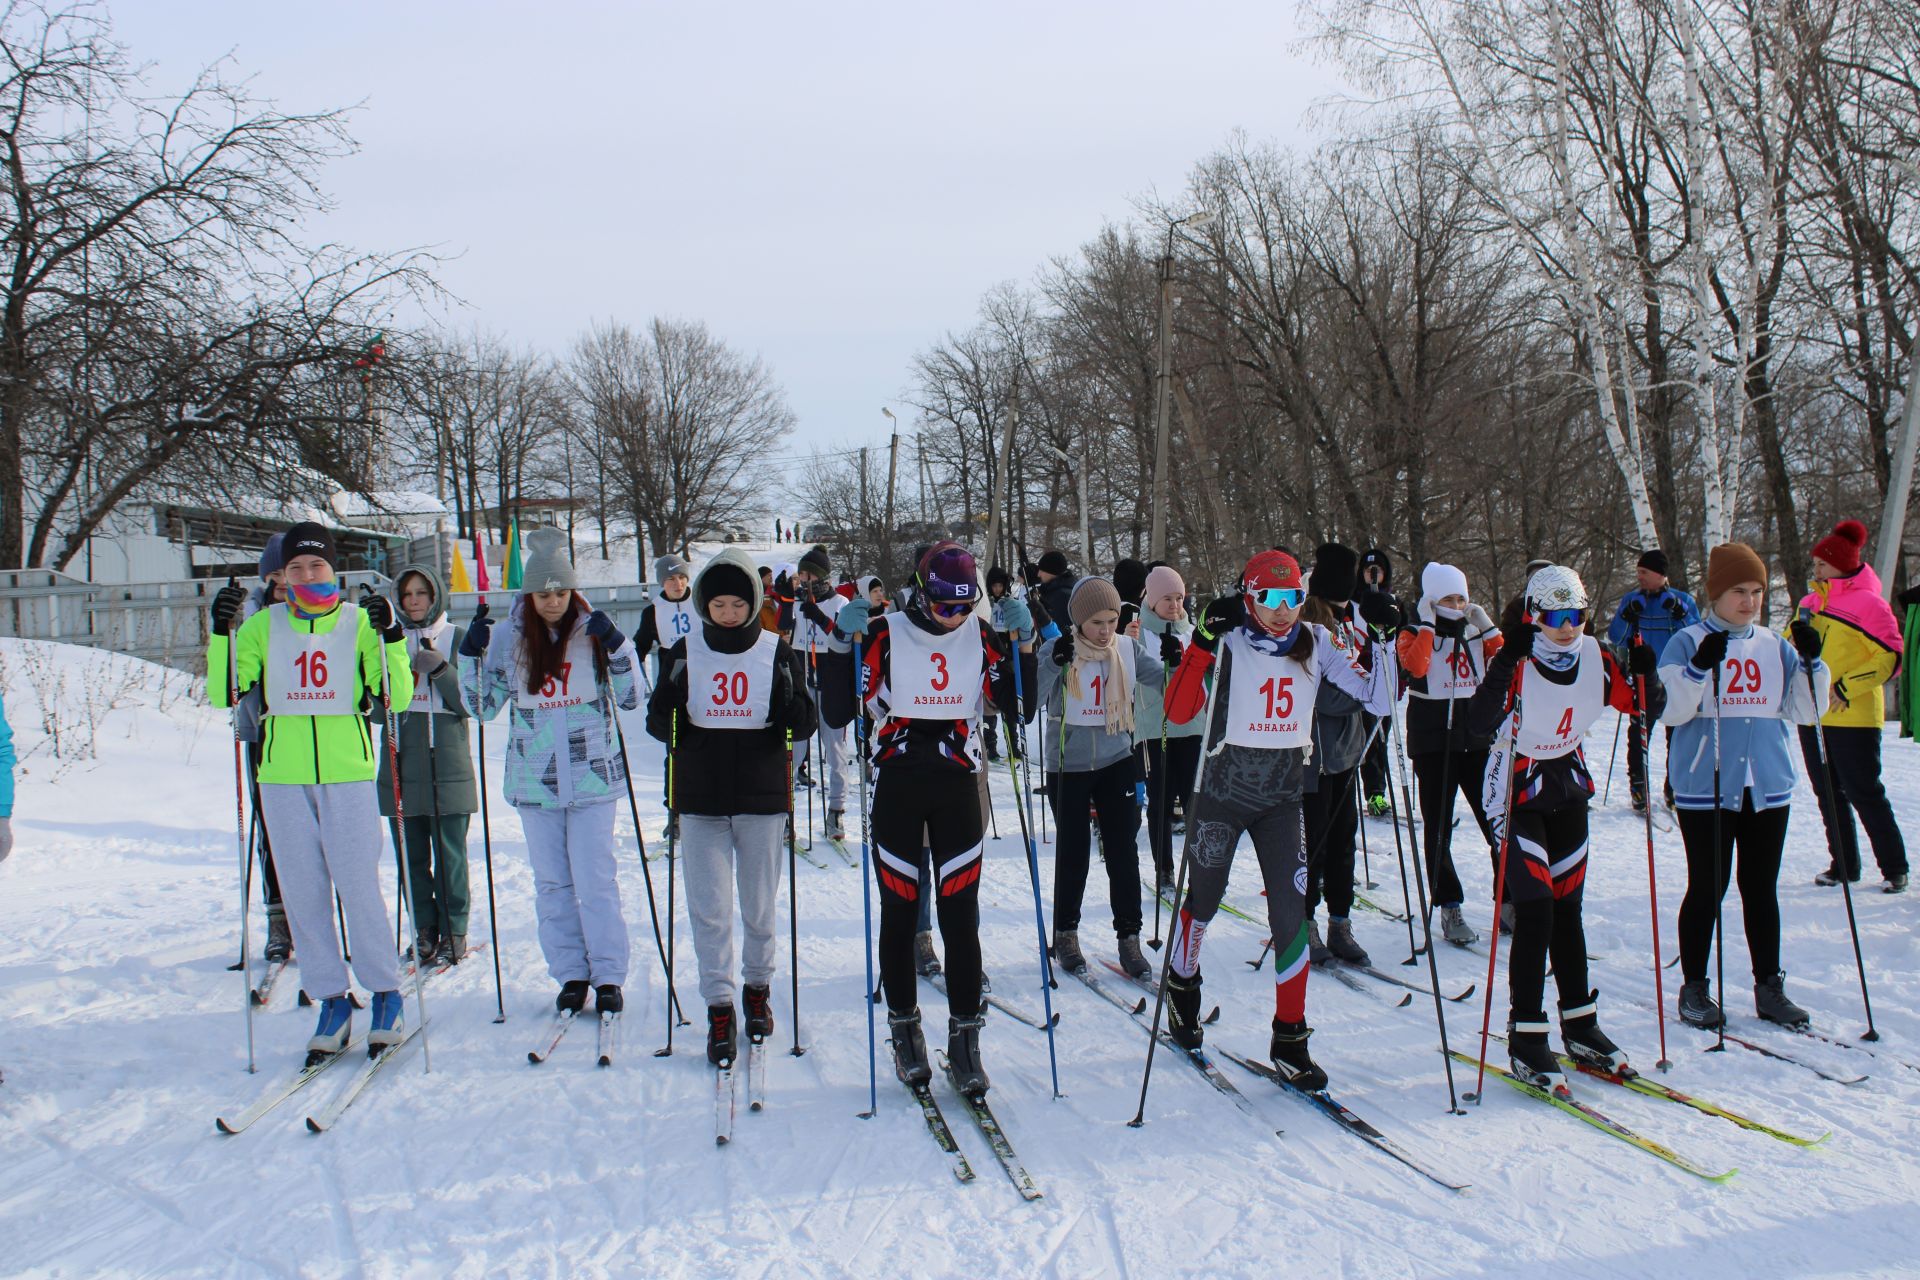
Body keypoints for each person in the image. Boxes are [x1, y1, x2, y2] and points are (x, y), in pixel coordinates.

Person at [1161, 550, 1394, 1088]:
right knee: (1206, 900)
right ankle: (1182, 983)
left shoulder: (1319, 641)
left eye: (1292, 598)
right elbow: (1176, 713)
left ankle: (1290, 1036)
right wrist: (1198, 642)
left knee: (1292, 915)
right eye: (1269, 598)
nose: (1283, 610)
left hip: (1283, 799)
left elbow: (1380, 700)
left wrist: (1382, 642)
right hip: (1221, 794)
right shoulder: (1229, 640)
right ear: (1250, 596)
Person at [207, 521, 411, 1062]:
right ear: (282, 575)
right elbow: (225, 691)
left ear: (332, 569)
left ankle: (386, 992)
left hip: (345, 770)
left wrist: (389, 637)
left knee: (356, 882)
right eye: (294, 568)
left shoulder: (356, 621)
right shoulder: (264, 625)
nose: (306, 575)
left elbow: (396, 695)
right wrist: (220, 633)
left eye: (316, 565)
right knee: (302, 890)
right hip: (282, 774)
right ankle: (331, 999)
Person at [1467, 564, 1661, 1090]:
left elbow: (1645, 707)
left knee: (1567, 909)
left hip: (1567, 785)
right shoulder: (1516, 661)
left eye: (1577, 615)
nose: (1568, 627)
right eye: (1555, 617)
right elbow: (1477, 725)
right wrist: (1507, 658)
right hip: (1515, 789)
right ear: (1533, 616)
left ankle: (1580, 1024)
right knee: (1535, 910)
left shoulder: (1596, 657)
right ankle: (1527, 1033)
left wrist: (1648, 672)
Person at [859, 542, 1027, 1096]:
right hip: (900, 782)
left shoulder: (978, 634)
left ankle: (964, 1037)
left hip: (958, 783)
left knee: (961, 915)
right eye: (941, 604)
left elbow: (1010, 702)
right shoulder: (885, 631)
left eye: (963, 605)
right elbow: (845, 708)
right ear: (919, 588)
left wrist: (1020, 645)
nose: (952, 615)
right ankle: (904, 1029)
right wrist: (843, 645)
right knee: (900, 911)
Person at [460, 528, 640, 1016]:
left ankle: (607, 974)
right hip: (534, 782)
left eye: (561, 591)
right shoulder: (509, 638)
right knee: (553, 884)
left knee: (596, 879)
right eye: (544, 593)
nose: (554, 601)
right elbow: (481, 706)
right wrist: (468, 657)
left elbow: (631, 697)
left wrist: (620, 648)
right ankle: (570, 973)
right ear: (530, 595)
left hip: (592, 779)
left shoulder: (592, 632)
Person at [646, 549, 815, 1065]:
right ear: (703, 604)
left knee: (759, 906)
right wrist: (672, 710)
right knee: (709, 910)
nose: (727, 612)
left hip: (762, 797)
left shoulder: (777, 651)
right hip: (701, 797)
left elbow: (803, 724)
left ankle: (757, 989)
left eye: (736, 603)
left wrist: (792, 704)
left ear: (752, 604)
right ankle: (719, 1004)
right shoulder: (683, 650)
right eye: (717, 603)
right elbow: (659, 724)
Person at [1659, 543, 1829, 1029]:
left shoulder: (1775, 645)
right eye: (1739, 591)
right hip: (1706, 785)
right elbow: (1670, 710)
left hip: (1767, 786)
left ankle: (1769, 988)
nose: (1750, 600)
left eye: (1756, 591)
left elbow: (1805, 710)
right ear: (1716, 593)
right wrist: (1697, 670)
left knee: (1760, 889)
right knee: (1707, 887)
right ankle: (1694, 988)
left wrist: (1814, 664)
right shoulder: (1688, 641)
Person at [1039, 576, 1164, 980]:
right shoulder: (1059, 649)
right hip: (1069, 765)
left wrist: (1182, 657)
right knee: (1073, 853)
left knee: (1123, 852)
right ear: (1078, 620)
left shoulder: (1126, 649)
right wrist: (1050, 661)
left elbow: (1164, 679)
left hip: (1116, 760)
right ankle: (1066, 934)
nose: (1105, 629)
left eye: (1111, 620)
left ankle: (1129, 938)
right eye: (1096, 622)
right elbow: (1030, 700)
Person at [1395, 561, 1504, 945]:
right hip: (1433, 744)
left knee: (1498, 822)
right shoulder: (1411, 632)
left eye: (1462, 598)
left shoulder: (1474, 632)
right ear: (1430, 600)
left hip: (1474, 740)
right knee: (1439, 829)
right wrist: (1427, 624)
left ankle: (1507, 899)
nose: (1456, 606)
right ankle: (1449, 905)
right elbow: (1416, 665)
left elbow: (1506, 663)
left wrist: (1487, 625)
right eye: (1448, 599)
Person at [1797, 520, 1909, 893]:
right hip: (1813, 714)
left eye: (1823, 565)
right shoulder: (1809, 603)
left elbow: (1890, 657)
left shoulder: (1869, 604)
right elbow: (1788, 647)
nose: (1817, 571)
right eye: (1815, 565)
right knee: (1826, 791)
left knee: (1864, 791)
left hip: (1854, 716)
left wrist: (1845, 687)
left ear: (1844, 564)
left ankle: (1894, 867)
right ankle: (1843, 864)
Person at [377, 564, 478, 967]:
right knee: (411, 855)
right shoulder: (387, 641)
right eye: (406, 595)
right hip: (402, 762)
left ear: (435, 595)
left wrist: (439, 669)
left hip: (448, 761)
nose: (415, 601)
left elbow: (472, 702)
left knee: (450, 854)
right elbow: (372, 709)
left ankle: (455, 930)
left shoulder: (456, 638)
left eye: (422, 593)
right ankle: (423, 929)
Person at [1299, 543, 1385, 967]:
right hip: (1313, 753)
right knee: (1312, 843)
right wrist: (1365, 698)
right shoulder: (1311, 622)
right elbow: (1326, 696)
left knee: (1342, 842)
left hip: (1346, 750)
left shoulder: (1354, 618)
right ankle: (1304, 921)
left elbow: (1372, 672)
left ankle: (1340, 921)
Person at [236, 534, 293, 968]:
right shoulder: (253, 621)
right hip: (263, 737)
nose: (281, 585)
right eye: (273, 578)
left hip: (306, 736)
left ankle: (314, 916)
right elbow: (231, 680)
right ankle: (279, 921)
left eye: (286, 575)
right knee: (271, 833)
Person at [1605, 550, 1699, 811]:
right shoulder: (1632, 600)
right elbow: (1617, 637)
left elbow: (1696, 637)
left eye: (1644, 572)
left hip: (1674, 676)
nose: (1640, 577)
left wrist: (1681, 614)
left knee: (1677, 734)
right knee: (1639, 732)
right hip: (1644, 675)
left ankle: (1674, 787)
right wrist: (1627, 616)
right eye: (1638, 572)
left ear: (1660, 574)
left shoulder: (1681, 600)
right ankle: (1638, 786)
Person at [1138, 564, 1199, 898]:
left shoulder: (1191, 631)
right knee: (1160, 801)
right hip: (1154, 726)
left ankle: (1198, 868)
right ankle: (1164, 870)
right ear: (1152, 600)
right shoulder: (1140, 631)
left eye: (1179, 598)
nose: (1175, 605)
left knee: (1194, 800)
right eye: (1167, 599)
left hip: (1191, 725)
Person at [790, 544, 853, 840]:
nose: (802, 580)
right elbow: (783, 632)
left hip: (831, 684)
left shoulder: (840, 602)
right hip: (803, 683)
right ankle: (784, 811)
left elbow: (843, 637)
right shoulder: (796, 602)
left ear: (819, 576)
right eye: (800, 575)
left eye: (807, 575)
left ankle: (836, 811)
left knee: (835, 750)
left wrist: (817, 616)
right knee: (794, 748)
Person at [1356, 548, 1399, 815]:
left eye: (1378, 570)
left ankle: (1377, 793)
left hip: (1386, 676)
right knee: (1365, 739)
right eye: (1369, 570)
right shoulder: (1352, 604)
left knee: (1381, 739)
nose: (1373, 575)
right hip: (1359, 679)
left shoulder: (1393, 602)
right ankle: (1370, 792)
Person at [635, 555, 696, 683]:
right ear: (662, 582)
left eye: (681, 577)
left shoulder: (701, 605)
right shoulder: (652, 612)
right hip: (671, 679)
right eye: (671, 578)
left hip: (702, 674)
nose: (678, 584)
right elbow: (640, 647)